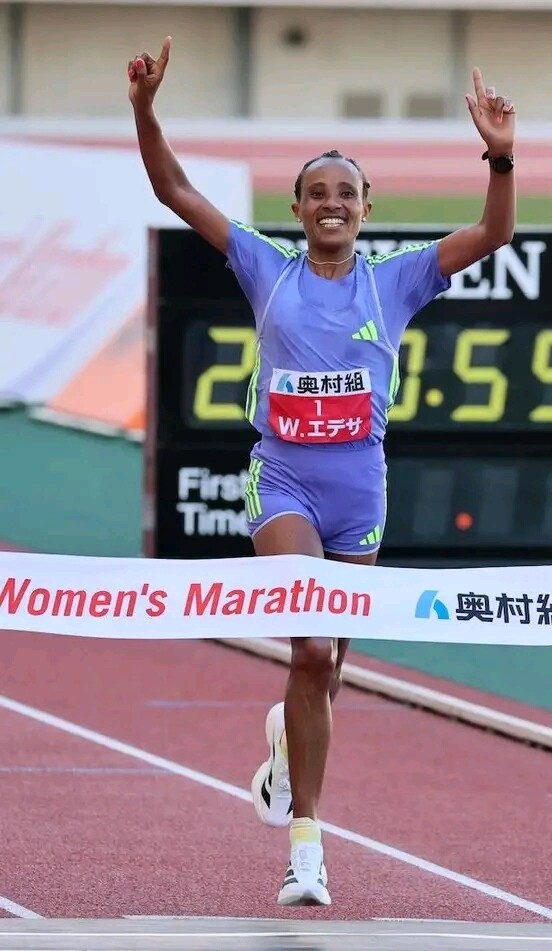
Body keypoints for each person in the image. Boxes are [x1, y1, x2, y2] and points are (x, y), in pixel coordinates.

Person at [128, 36, 516, 908]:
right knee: (308, 645)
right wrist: (146, 110)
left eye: (346, 193)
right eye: (317, 193)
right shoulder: (265, 267)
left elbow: (495, 232)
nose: (332, 204)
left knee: (327, 668)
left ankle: (283, 753)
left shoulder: (398, 280)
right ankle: (307, 846)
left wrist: (500, 156)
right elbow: (174, 190)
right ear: (298, 210)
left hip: (360, 491)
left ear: (367, 207)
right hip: (285, 482)